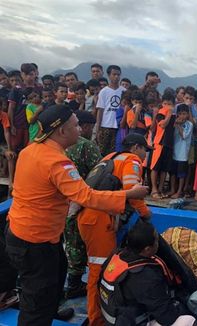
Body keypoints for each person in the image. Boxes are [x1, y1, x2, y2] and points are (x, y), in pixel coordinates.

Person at [4, 105, 148, 325]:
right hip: (35, 241)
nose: (80, 129)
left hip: (23, 232)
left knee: (58, 273)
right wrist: (129, 194)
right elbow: (86, 196)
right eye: (76, 125)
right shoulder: (57, 162)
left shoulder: (30, 150)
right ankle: (41, 315)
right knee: (36, 301)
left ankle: (51, 310)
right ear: (61, 131)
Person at [78, 133, 152, 326]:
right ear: (136, 147)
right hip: (99, 220)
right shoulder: (132, 160)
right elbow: (133, 192)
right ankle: (96, 320)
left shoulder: (109, 157)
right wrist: (146, 214)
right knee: (98, 269)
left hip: (90, 217)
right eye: (145, 150)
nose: (145, 155)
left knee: (99, 267)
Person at [99, 222, 196, 326]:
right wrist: (184, 306)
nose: (159, 243)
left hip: (113, 317)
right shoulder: (145, 277)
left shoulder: (116, 255)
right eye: (156, 241)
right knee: (188, 320)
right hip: (131, 321)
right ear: (147, 249)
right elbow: (167, 317)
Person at [64, 110, 102, 299]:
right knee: (77, 243)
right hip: (82, 201)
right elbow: (100, 174)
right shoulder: (87, 146)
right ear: (86, 126)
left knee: (65, 241)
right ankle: (74, 284)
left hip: (60, 202)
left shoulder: (55, 145)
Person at [96, 65, 124, 156]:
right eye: (114, 74)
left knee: (116, 153)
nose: (116, 77)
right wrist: (98, 128)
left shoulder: (124, 91)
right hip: (106, 126)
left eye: (118, 74)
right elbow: (100, 111)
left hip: (119, 127)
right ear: (109, 75)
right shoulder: (104, 91)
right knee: (103, 152)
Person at [169, 104, 193, 199]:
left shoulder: (189, 124)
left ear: (187, 114)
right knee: (173, 173)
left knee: (181, 174)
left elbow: (184, 135)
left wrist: (179, 125)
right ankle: (172, 189)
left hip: (183, 153)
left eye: (184, 114)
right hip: (174, 151)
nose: (182, 116)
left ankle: (179, 191)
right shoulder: (173, 123)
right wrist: (175, 124)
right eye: (180, 114)